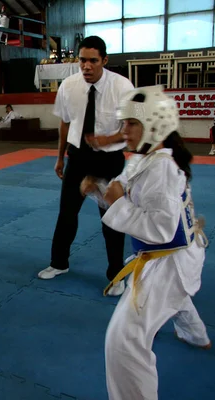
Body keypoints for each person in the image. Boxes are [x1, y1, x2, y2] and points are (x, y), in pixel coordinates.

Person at [81, 85, 211, 400]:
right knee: (177, 299)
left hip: (170, 258)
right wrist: (99, 190)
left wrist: (114, 204)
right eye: (124, 122)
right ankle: (196, 336)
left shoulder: (163, 166)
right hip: (174, 253)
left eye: (131, 123)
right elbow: (125, 196)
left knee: (123, 340)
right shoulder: (145, 158)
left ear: (155, 125)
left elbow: (161, 229)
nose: (124, 130)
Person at [37, 35, 134, 298]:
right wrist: (59, 157)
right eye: (82, 60)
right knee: (66, 213)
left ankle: (116, 275)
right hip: (77, 158)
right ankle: (59, 263)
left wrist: (107, 139)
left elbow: (131, 130)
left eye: (93, 61)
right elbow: (65, 124)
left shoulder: (122, 86)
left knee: (111, 220)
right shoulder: (68, 85)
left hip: (109, 160)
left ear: (104, 60)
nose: (86, 66)